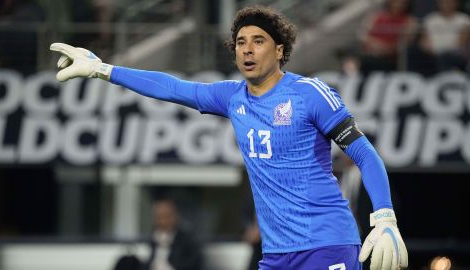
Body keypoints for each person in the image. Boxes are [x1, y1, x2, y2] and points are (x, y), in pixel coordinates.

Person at [50, 5, 408, 270]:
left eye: (258, 41)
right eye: (240, 42)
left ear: (280, 50)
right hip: (275, 254)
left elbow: (364, 153)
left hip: (326, 245)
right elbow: (172, 87)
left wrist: (385, 217)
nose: (247, 49)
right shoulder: (232, 97)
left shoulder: (310, 93)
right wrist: (104, 69)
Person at [359, 0, 416, 74]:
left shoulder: (409, 20)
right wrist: (376, 45)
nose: (399, 4)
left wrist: (387, 48)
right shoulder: (376, 16)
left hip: (393, 58)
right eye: (396, 2)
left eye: (402, 2)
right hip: (373, 53)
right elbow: (363, 35)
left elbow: (407, 41)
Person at [145, 199, 203, 270]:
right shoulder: (153, 239)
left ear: (175, 216)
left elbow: (194, 263)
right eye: (158, 217)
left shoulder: (187, 239)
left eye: (166, 216)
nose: (162, 221)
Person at [421, 0, 470, 72]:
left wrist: (445, 51)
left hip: (456, 54)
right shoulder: (430, 19)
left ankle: (446, 78)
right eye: (444, 2)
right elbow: (425, 40)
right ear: (438, 3)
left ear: (456, 3)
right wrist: (429, 49)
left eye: (450, 2)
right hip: (432, 54)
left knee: (444, 57)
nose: (447, 4)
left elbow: (462, 42)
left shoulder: (464, 19)